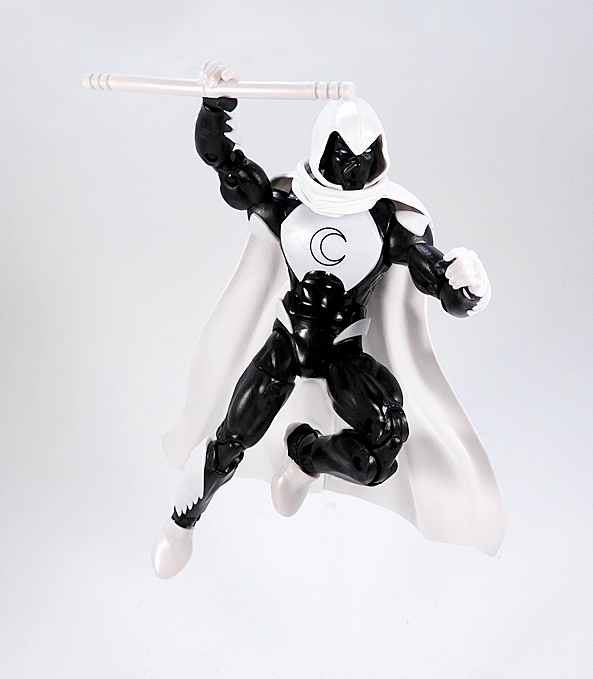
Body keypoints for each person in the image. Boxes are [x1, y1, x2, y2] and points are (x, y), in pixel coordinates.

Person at [152, 62, 501, 579]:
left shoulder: (388, 223)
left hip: (344, 352)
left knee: (383, 444)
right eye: (343, 157)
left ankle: (305, 458)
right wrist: (213, 107)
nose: (353, 171)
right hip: (285, 345)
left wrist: (467, 286)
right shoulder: (287, 203)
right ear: (323, 151)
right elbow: (223, 161)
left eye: (364, 159)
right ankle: (180, 526)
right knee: (230, 440)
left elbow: (441, 285)